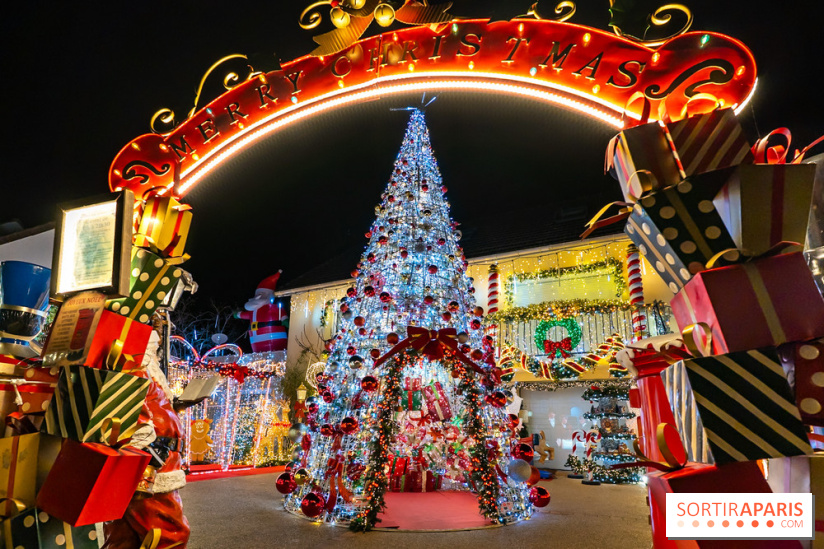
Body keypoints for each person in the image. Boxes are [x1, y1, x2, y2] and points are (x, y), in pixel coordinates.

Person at [102, 329, 204, 549]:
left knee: (123, 538)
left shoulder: (144, 371)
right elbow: (131, 413)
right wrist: (144, 461)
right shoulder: (134, 366)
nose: (156, 354)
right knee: (168, 534)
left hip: (151, 460)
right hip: (154, 463)